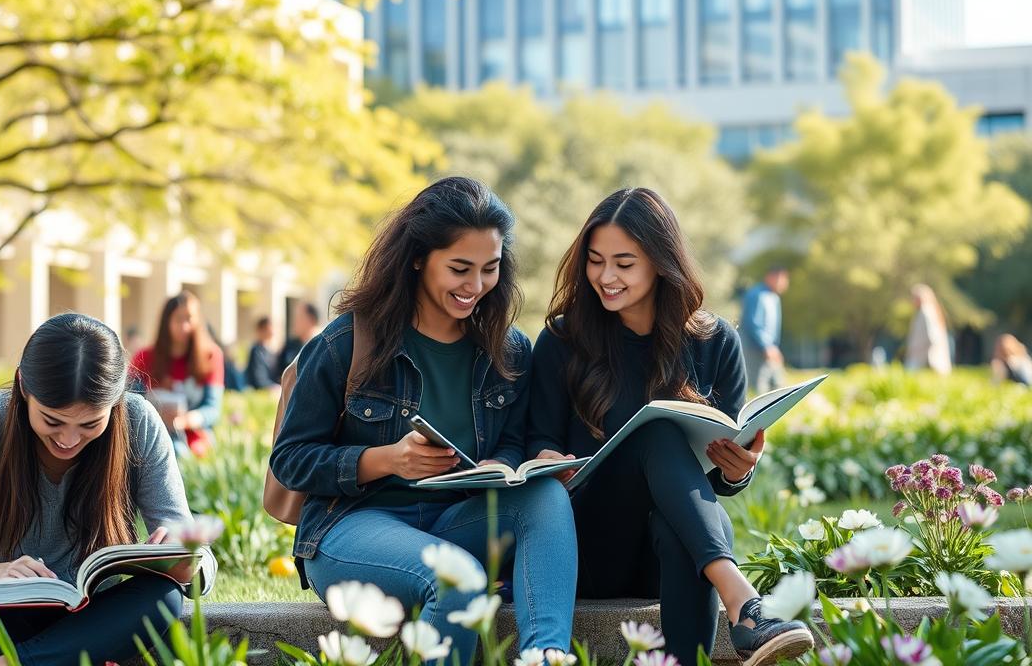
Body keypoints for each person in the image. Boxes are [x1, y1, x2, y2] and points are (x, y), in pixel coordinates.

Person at [270, 176, 576, 664]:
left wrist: (505, 464)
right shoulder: (345, 342)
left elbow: (514, 441)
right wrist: (386, 460)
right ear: (418, 258)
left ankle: (546, 656)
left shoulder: (508, 349)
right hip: (352, 526)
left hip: (455, 519)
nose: (475, 286)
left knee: (546, 495)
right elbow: (291, 461)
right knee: (460, 579)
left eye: (490, 269)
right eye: (459, 268)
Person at [528, 188, 812, 666]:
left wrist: (741, 466)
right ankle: (745, 604)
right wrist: (545, 459)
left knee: (692, 515)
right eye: (595, 261)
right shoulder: (563, 340)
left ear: (660, 262)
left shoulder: (715, 341)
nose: (605, 276)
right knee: (656, 431)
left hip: (673, 547)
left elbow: (719, 478)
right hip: (590, 541)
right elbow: (538, 438)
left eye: (624, 262)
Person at [0, 312, 216, 666]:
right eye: (52, 420)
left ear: (115, 401)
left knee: (163, 597)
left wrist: (186, 563)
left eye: (90, 424)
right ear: (24, 386)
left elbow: (198, 556)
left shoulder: (138, 422)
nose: (69, 440)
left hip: (92, 619)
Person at [128, 291, 224, 457]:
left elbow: (213, 408)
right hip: (151, 434)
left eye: (189, 319)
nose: (184, 326)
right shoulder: (144, 358)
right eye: (178, 319)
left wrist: (186, 420)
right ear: (167, 322)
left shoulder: (211, 356)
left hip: (195, 437)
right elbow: (129, 403)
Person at [739, 267, 789, 395]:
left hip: (771, 350)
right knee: (759, 390)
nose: (785, 283)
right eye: (782, 278)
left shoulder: (774, 297)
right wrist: (766, 346)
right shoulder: (756, 294)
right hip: (757, 350)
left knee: (778, 388)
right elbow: (753, 323)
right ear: (771, 277)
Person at [904, 284, 952, 375]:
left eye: (914, 298)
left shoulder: (926, 312)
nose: (912, 301)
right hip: (924, 357)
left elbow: (932, 337)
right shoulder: (928, 311)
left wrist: (929, 356)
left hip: (925, 359)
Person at [272, 301, 321, 381]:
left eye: (300, 317)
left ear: (312, 320)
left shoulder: (321, 346)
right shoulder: (290, 345)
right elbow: (278, 373)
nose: (295, 322)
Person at [244, 317, 279, 391]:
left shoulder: (270, 351)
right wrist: (272, 387)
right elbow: (258, 378)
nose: (272, 332)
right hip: (260, 391)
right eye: (268, 329)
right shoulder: (256, 351)